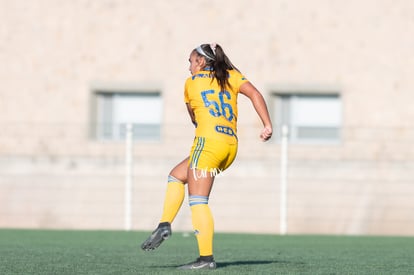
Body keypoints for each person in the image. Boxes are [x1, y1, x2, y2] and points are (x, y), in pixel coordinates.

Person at [141, 43, 273, 270]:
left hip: (207, 145)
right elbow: (255, 94)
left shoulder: (191, 83)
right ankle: (164, 223)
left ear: (201, 62)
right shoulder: (230, 75)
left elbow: (194, 118)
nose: (189, 67)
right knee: (176, 176)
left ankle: (206, 259)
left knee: (198, 201)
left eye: (191, 62)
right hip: (229, 148)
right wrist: (267, 125)